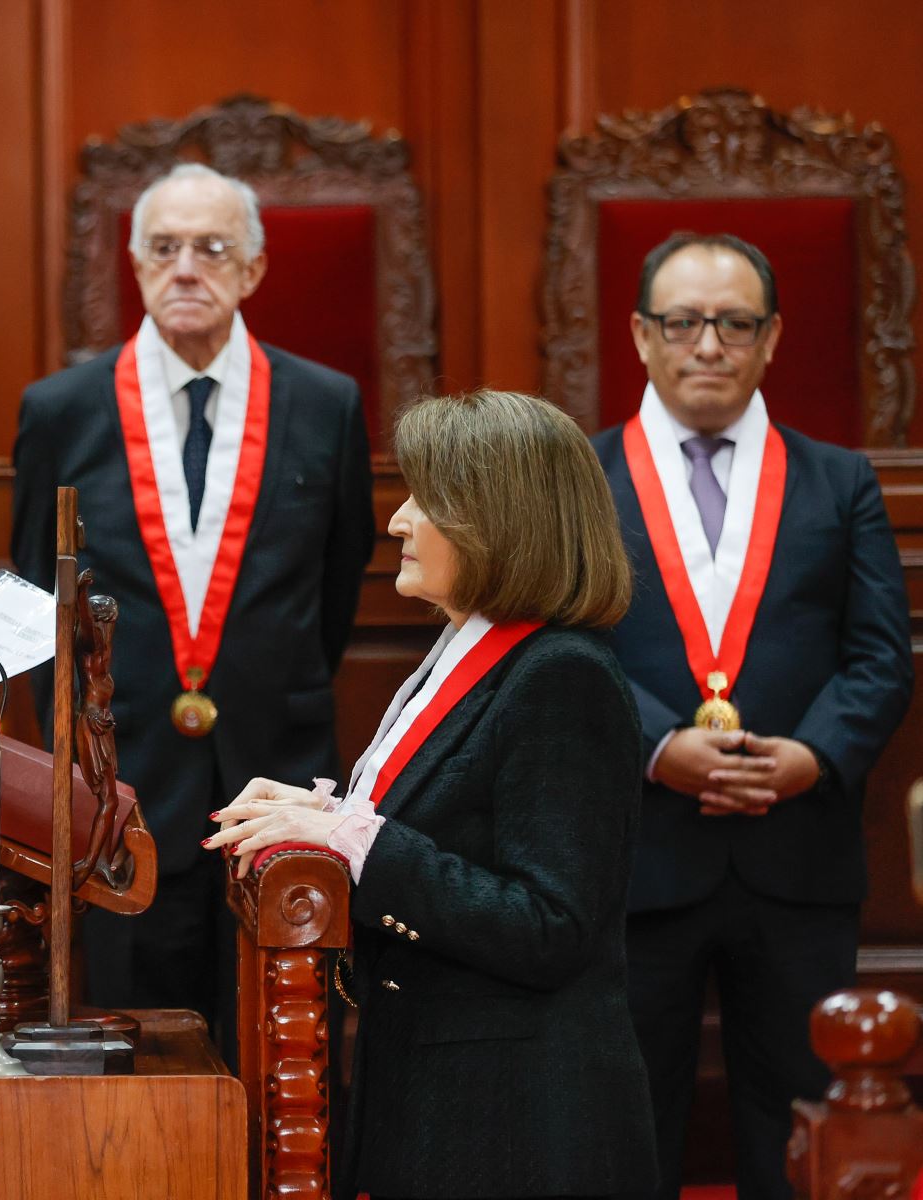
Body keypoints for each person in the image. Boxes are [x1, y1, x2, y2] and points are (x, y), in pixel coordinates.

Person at [211, 390, 658, 1199]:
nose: (397, 521)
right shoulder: (467, 645)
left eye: (428, 501)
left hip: (515, 1121)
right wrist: (329, 819)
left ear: (500, 521)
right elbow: (438, 830)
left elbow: (551, 926)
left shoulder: (563, 676)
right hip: (438, 1086)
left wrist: (360, 842)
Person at [10, 162, 374, 1042]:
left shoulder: (325, 405)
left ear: (251, 269)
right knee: (144, 1047)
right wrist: (78, 765)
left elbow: (338, 585)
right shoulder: (62, 410)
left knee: (281, 1040)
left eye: (210, 248)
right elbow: (36, 603)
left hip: (277, 774)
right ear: (134, 267)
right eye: (163, 249)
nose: (184, 269)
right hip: (124, 787)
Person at [594, 233, 912, 1200]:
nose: (708, 345)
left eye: (734, 323)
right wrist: (658, 746)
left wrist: (814, 755)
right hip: (638, 854)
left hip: (797, 856)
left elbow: (879, 655)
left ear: (770, 339)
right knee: (627, 1118)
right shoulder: (582, 480)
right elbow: (560, 648)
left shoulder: (839, 481)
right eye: (683, 321)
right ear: (643, 335)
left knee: (798, 1119)